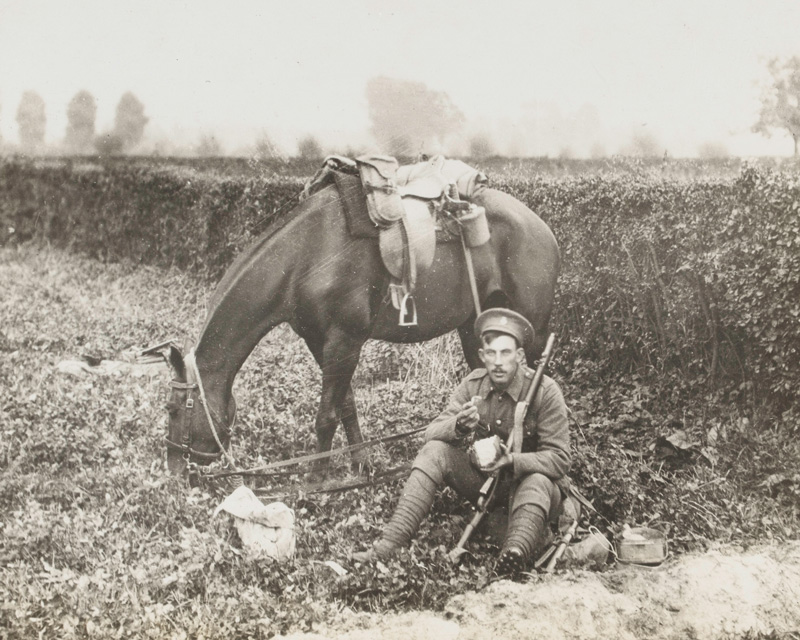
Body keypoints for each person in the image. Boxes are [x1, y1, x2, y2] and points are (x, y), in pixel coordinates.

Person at [352, 308, 571, 574]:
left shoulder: (545, 391)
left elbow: (559, 459)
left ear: (521, 356)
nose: (498, 362)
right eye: (491, 353)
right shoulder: (473, 384)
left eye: (506, 353)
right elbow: (430, 434)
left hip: (534, 491)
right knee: (434, 451)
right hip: (487, 485)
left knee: (537, 481)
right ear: (482, 356)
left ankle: (514, 555)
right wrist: (458, 426)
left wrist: (512, 460)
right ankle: (390, 544)